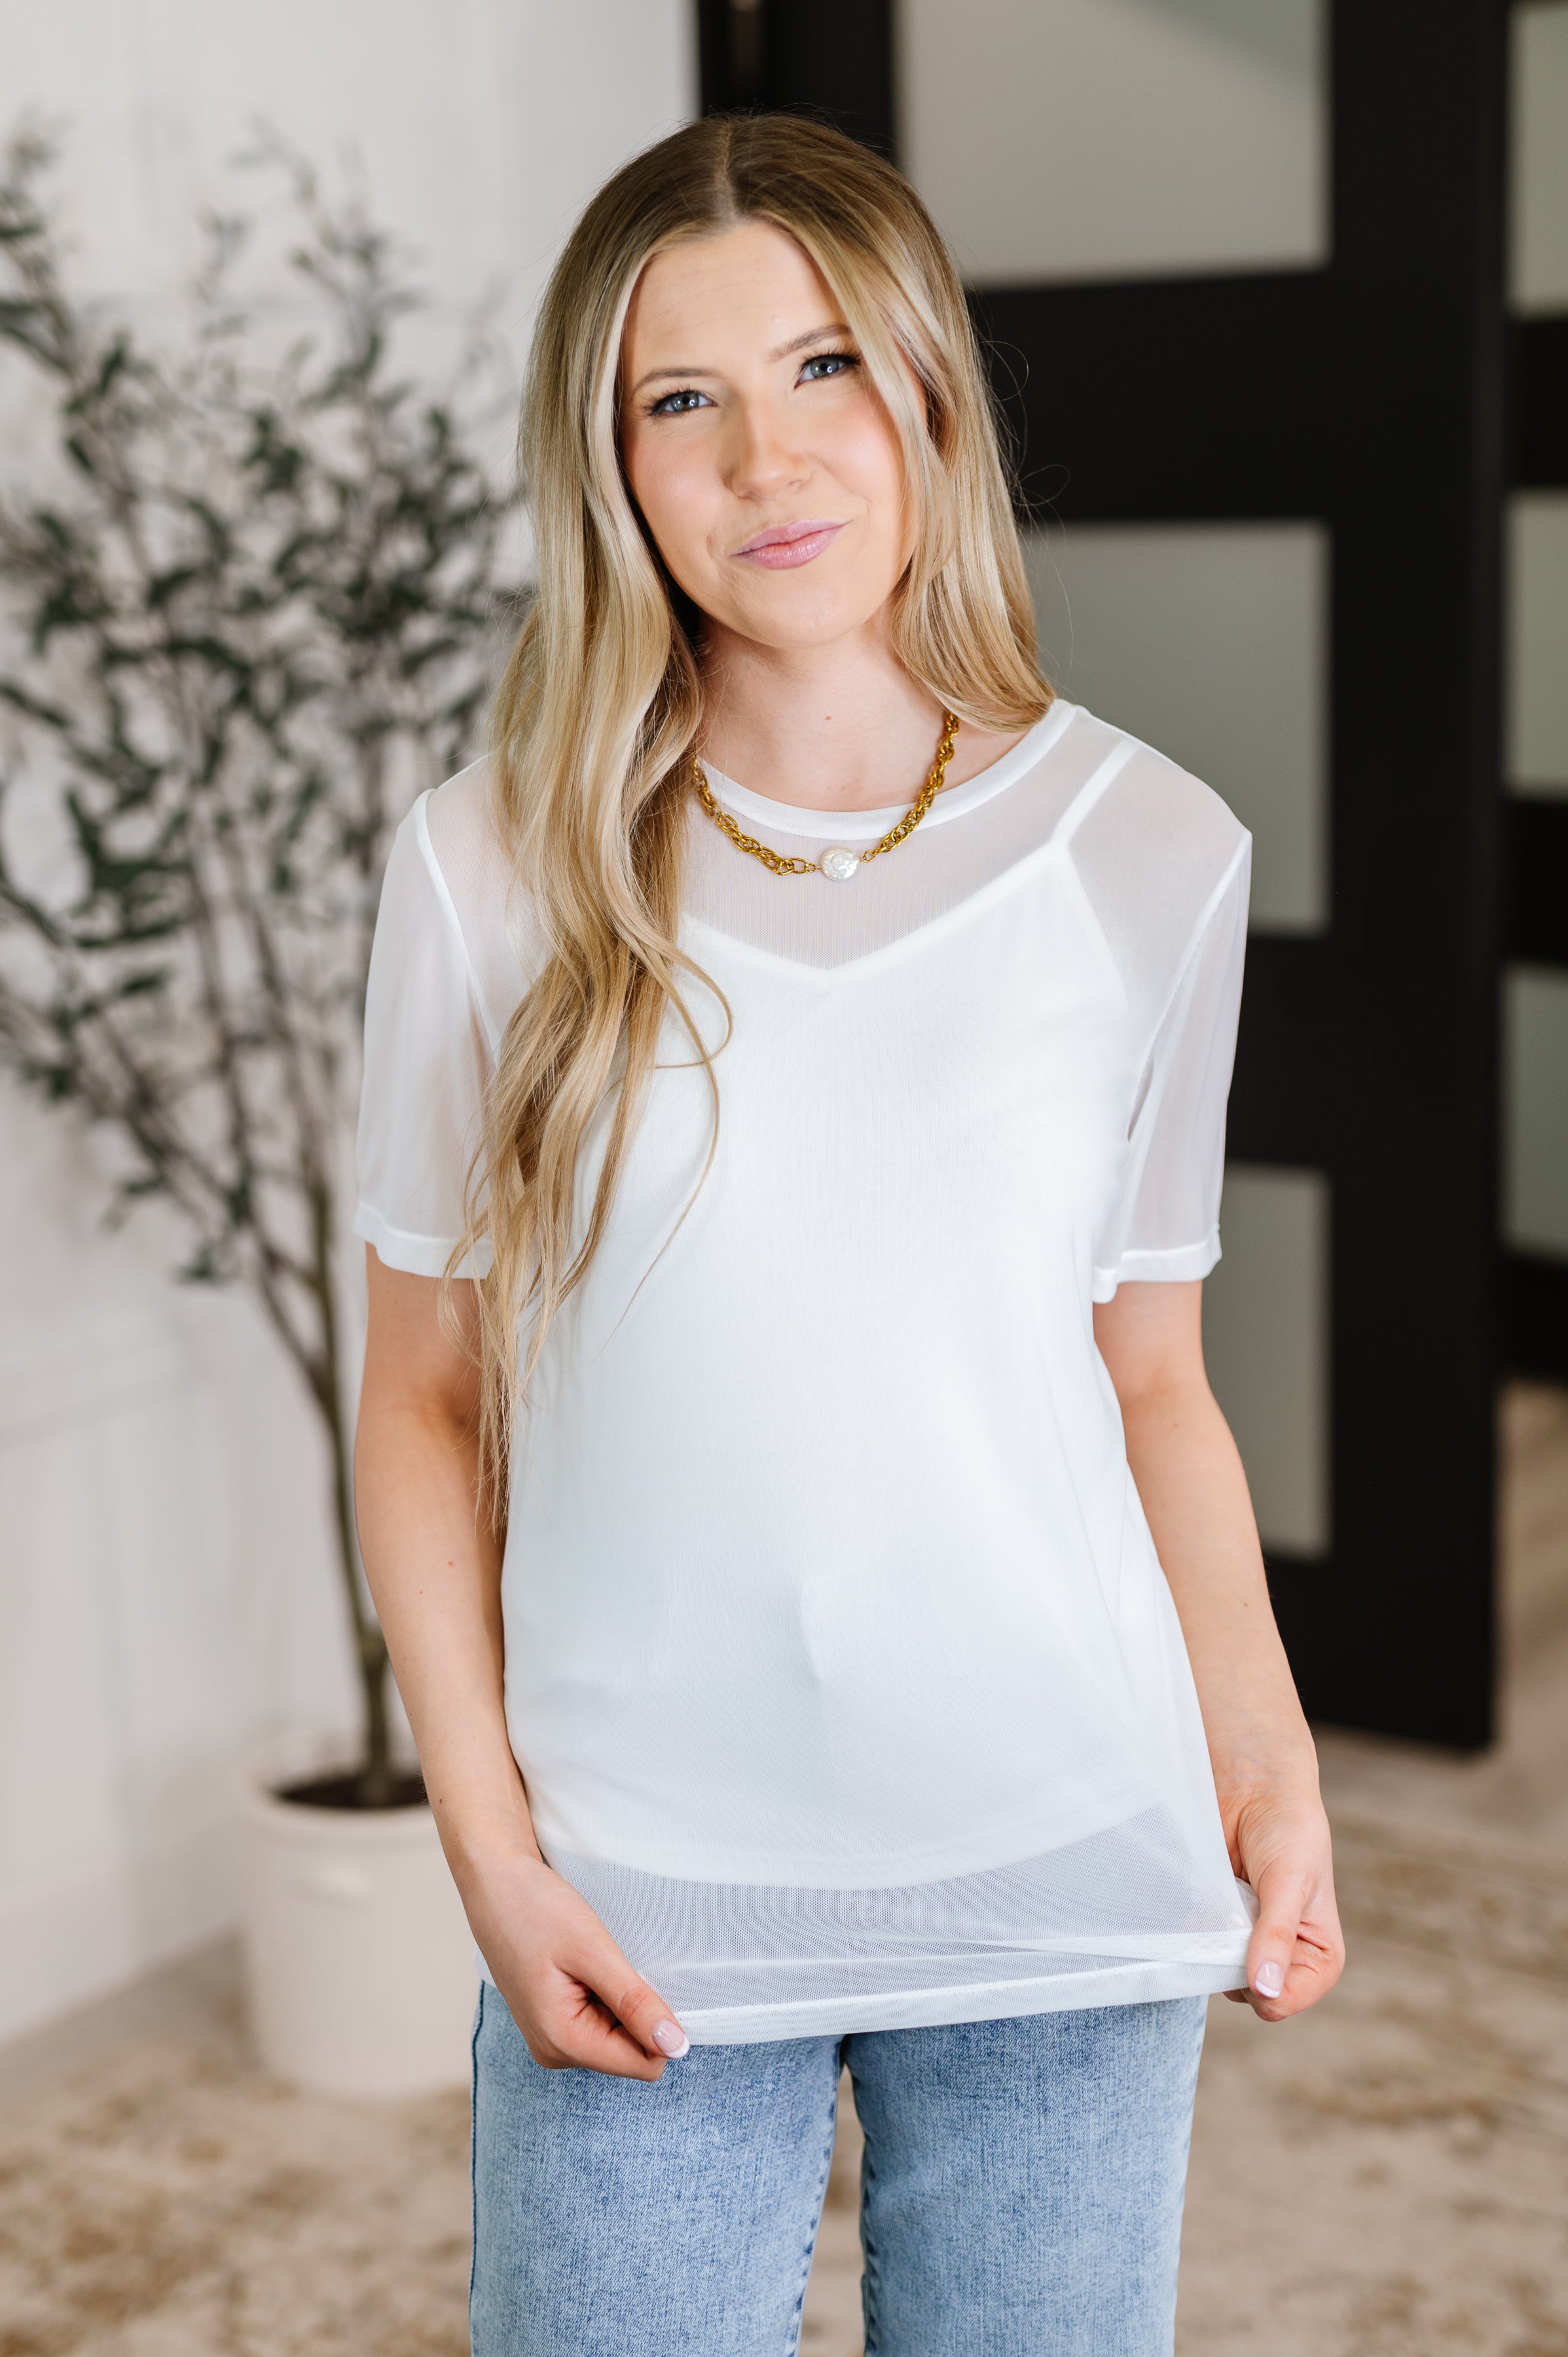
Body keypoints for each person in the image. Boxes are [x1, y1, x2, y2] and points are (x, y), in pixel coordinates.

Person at [352, 113, 1344, 2357]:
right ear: (609, 464)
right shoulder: (486, 869)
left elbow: (1148, 1381)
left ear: (927, 395)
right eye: (677, 400)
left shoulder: (1147, 853)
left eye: (822, 369)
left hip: (1060, 1847)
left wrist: (1266, 1771)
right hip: (635, 1885)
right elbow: (422, 1401)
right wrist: (489, 1854)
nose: (764, 459)